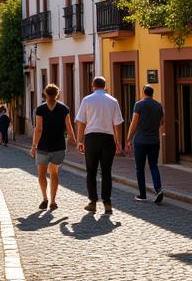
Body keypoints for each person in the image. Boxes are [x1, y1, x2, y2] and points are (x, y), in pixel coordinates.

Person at [74, 76, 125, 215]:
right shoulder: (113, 101)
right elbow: (118, 123)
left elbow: (81, 122)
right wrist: (118, 141)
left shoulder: (87, 100)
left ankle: (92, 202)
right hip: (108, 139)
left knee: (91, 171)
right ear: (105, 86)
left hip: (91, 138)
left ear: (93, 86)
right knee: (106, 172)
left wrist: (79, 140)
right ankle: (107, 204)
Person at [30, 83, 77, 212]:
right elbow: (69, 126)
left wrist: (34, 146)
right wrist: (74, 140)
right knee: (54, 173)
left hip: (43, 146)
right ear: (57, 94)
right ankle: (53, 201)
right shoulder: (64, 109)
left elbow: (38, 129)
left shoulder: (40, 109)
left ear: (45, 93)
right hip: (59, 145)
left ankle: (45, 198)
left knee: (41, 174)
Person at [127, 85, 165, 203]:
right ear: (152, 93)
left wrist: (128, 138)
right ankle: (158, 189)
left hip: (140, 141)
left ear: (144, 93)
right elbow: (162, 122)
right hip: (154, 140)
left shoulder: (139, 104)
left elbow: (134, 122)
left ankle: (142, 195)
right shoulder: (158, 105)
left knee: (140, 168)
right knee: (153, 165)